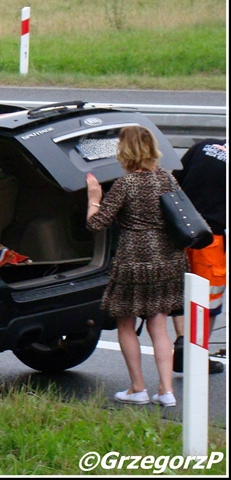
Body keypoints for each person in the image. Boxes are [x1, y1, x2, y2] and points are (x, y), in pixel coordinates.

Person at [86, 126, 187, 407]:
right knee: (158, 323)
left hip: (134, 259)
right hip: (167, 258)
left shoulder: (125, 184)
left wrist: (94, 199)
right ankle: (166, 391)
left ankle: (137, 388)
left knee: (126, 323)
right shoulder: (167, 178)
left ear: (125, 151)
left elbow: (96, 224)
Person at [170, 139, 226, 375]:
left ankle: (183, 342)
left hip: (179, 231)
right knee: (208, 301)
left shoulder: (203, 146)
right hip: (210, 238)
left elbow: (175, 181)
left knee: (181, 292)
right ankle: (197, 355)